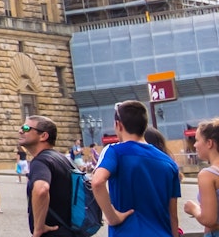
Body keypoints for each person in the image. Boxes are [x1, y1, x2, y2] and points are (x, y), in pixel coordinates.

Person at [90, 100, 180, 237]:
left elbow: (97, 182)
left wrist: (113, 217)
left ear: (118, 125)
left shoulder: (114, 151)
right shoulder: (169, 163)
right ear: (144, 125)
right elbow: (173, 214)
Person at [20, 115, 79, 237]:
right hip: (70, 230)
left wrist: (38, 228)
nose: (20, 131)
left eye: (26, 128)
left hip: (53, 232)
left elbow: (42, 189)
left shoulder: (40, 161)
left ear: (43, 136)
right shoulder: (63, 159)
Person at [183, 118, 218, 237]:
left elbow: (209, 220)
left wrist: (193, 208)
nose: (194, 145)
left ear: (209, 143)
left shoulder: (208, 175)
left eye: (197, 140)